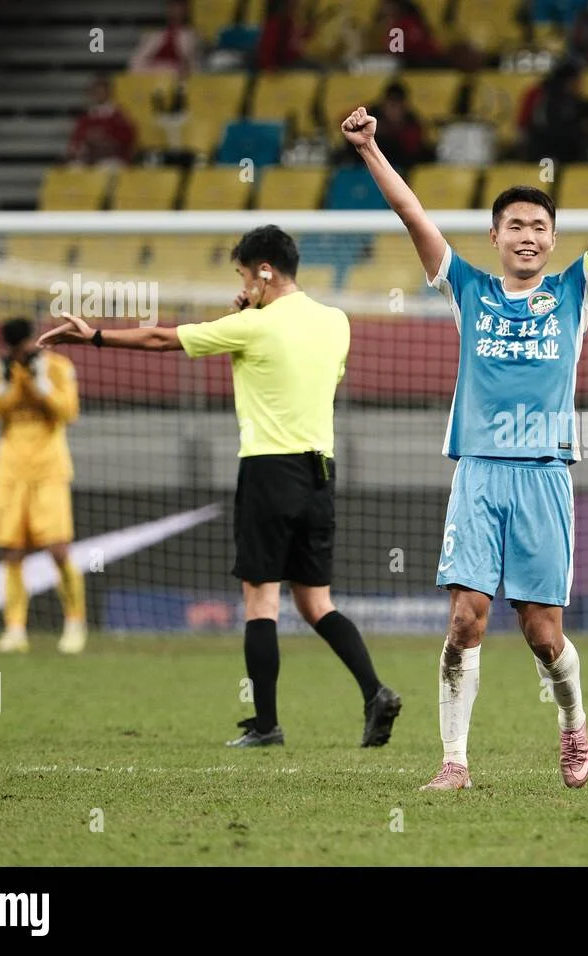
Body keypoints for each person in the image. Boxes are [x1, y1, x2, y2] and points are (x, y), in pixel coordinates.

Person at [341, 101, 588, 791]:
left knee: (544, 636)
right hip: (480, 473)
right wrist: (370, 148)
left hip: (546, 476)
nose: (527, 235)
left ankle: (573, 724)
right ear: (495, 235)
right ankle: (454, 762)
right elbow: (412, 216)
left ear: (552, 240)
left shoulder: (576, 291)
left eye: (539, 226)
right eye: (515, 224)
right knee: (465, 620)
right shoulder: (468, 289)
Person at [36, 226, 403, 750]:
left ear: (264, 272)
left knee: (261, 602)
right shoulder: (335, 321)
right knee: (317, 601)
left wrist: (92, 336)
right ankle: (374, 692)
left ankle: (267, 724)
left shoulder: (249, 328)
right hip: (321, 473)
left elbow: (164, 339)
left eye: (243, 276)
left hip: (268, 471)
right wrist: (249, 314)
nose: (242, 285)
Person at [0, 317, 86, 655]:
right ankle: (15, 631)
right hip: (10, 471)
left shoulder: (57, 367)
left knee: (58, 548)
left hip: (49, 469)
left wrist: (40, 383)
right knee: (12, 551)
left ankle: (74, 623)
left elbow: (68, 412)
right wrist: (4, 388)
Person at [66, 76, 137, 166]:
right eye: (95, 91)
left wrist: (105, 139)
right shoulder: (86, 117)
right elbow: (76, 140)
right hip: (89, 157)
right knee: (74, 168)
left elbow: (127, 140)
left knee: (108, 166)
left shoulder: (118, 116)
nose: (98, 94)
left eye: (101, 91)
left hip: (112, 158)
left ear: (108, 92)